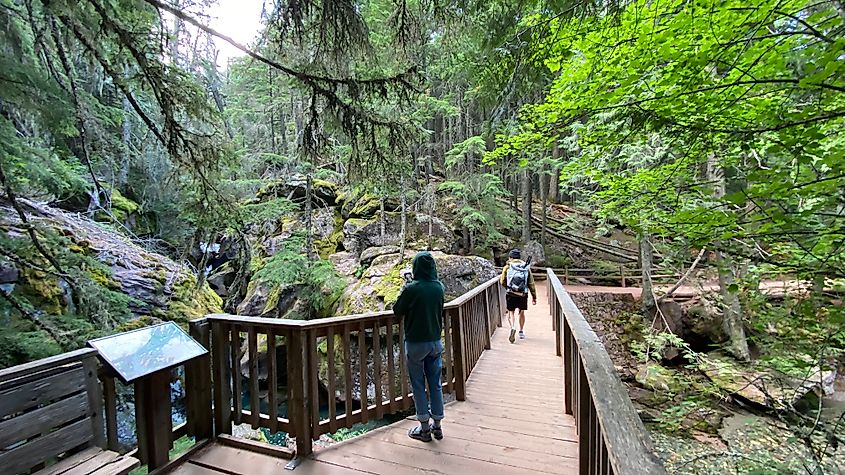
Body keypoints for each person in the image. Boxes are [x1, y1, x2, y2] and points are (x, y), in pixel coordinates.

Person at [393, 251, 446, 442]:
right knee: (435, 384)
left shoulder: (412, 289)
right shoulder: (439, 287)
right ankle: (437, 426)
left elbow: (397, 310)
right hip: (435, 342)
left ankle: (424, 428)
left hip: (416, 343)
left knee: (418, 384)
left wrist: (405, 287)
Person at [500, 249, 536, 343]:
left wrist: (508, 287)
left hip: (511, 293)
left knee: (511, 312)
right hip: (523, 293)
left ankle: (512, 327)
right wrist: (534, 296)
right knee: (521, 312)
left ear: (510, 257)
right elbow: (531, 282)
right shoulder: (525, 266)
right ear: (519, 257)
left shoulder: (508, 267)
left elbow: (502, 280)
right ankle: (521, 331)